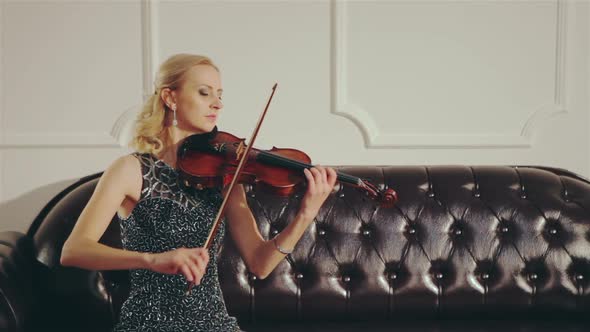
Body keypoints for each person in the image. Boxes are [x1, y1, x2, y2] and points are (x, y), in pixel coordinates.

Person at [60, 53, 338, 332]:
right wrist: (151, 260)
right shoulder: (130, 170)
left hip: (214, 324)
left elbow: (260, 264)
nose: (217, 103)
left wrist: (306, 213)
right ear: (170, 98)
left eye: (219, 94)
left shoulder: (224, 175)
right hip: (149, 324)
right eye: (205, 93)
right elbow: (74, 250)